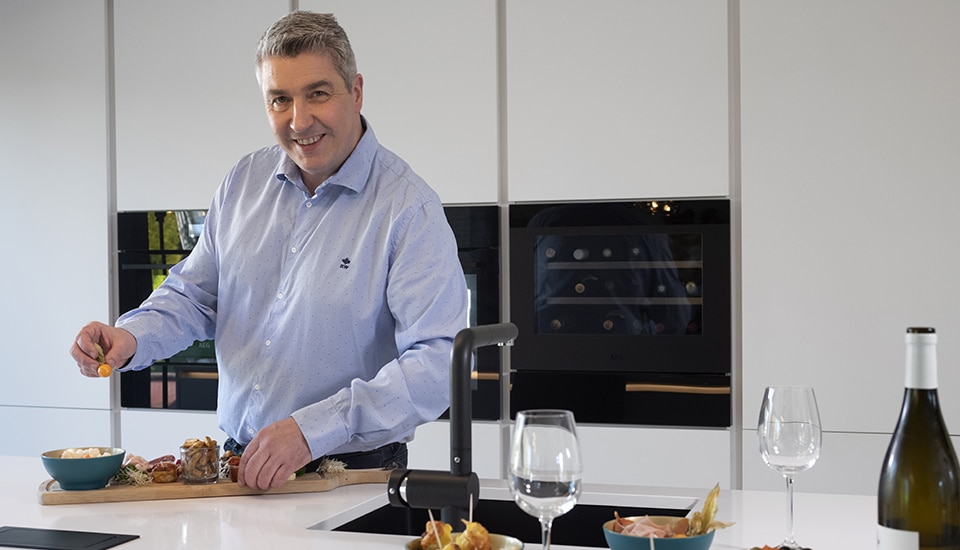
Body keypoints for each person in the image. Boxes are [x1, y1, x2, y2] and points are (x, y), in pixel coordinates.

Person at [68, 11, 468, 491]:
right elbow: (195, 296)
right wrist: (129, 338)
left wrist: (313, 429)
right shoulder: (242, 182)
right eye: (281, 99)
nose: (299, 121)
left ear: (356, 91)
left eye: (318, 93)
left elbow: (436, 363)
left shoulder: (409, 209)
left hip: (355, 475)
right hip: (240, 467)